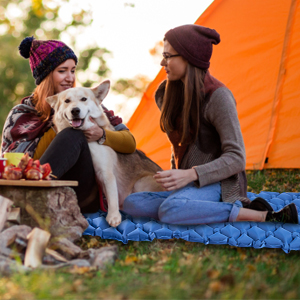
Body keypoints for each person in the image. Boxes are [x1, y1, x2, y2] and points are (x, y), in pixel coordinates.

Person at [123, 24, 298, 225]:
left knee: (170, 210)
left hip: (219, 183)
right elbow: (177, 146)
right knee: (132, 203)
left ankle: (263, 215)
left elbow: (237, 158)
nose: (163, 61)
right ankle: (187, 205)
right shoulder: (166, 94)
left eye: (169, 56)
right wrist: (175, 177)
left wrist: (191, 174)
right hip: (188, 184)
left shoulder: (218, 97)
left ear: (189, 57)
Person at [0, 36, 136, 213]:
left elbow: (130, 143)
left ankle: (34, 207)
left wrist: (101, 134)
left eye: (73, 71)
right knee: (72, 132)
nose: (70, 78)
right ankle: (32, 203)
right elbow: (17, 163)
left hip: (84, 192)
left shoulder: (86, 104)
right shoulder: (21, 114)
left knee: (74, 131)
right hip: (36, 187)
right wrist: (59, 125)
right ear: (46, 76)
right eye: (62, 71)